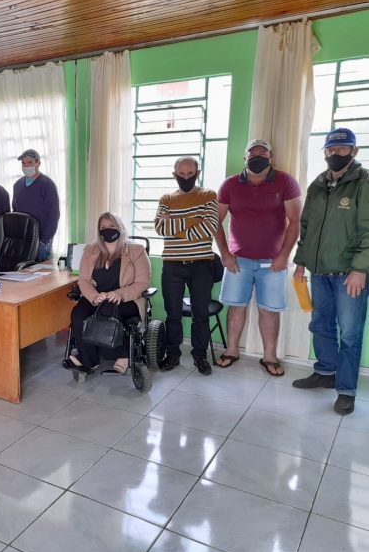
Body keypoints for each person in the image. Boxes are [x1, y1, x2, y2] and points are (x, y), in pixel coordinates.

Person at [292, 128, 369, 416]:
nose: (335, 154)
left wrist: (360, 269)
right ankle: (325, 372)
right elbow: (307, 227)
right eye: (331, 149)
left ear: (354, 151)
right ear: (325, 151)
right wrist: (301, 261)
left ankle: (346, 390)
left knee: (349, 333)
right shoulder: (318, 184)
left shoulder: (364, 182)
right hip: (320, 271)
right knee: (321, 324)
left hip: (350, 274)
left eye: (342, 149)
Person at [214, 139, 302, 375]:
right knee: (236, 307)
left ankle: (270, 356)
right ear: (245, 157)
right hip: (237, 262)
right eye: (253, 153)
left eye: (263, 153)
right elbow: (215, 221)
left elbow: (295, 221)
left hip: (273, 263)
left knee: (269, 310)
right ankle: (231, 350)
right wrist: (225, 254)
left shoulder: (286, 182)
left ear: (271, 157)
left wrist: (284, 255)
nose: (258, 157)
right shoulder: (230, 184)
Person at [154, 156, 219, 375]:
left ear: (197, 173)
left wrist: (174, 225)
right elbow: (160, 229)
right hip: (172, 265)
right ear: (174, 175)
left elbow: (210, 226)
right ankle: (173, 355)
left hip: (202, 265)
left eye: (190, 174)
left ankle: (200, 356)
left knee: (200, 314)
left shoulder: (209, 195)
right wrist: (194, 220)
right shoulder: (166, 199)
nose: (186, 178)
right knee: (173, 314)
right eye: (181, 174)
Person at [70, 212, 151, 373]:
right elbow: (83, 280)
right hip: (97, 297)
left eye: (112, 226)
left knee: (108, 309)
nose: (107, 229)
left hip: (126, 300)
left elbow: (143, 282)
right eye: (103, 227)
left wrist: (120, 294)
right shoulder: (91, 250)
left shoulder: (136, 250)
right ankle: (89, 360)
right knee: (78, 314)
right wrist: (94, 296)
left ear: (120, 227)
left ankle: (123, 354)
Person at [12, 149, 60, 262]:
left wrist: (44, 240)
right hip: (24, 239)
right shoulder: (17, 185)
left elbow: (53, 215)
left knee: (41, 271)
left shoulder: (47, 185)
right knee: (23, 270)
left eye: (30, 162)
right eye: (23, 163)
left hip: (41, 240)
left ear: (38, 163)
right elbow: (15, 211)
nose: (26, 166)